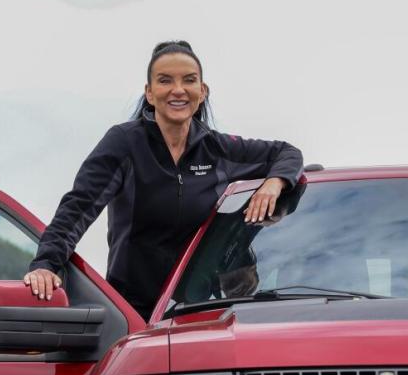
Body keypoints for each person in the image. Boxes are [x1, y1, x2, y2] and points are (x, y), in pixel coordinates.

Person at [23, 40, 304, 319]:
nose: (178, 90)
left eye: (189, 80)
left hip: (197, 313)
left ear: (202, 91)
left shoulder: (218, 149)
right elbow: (78, 207)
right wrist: (47, 263)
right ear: (149, 92)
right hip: (132, 313)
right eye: (165, 80)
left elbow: (287, 153)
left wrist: (275, 182)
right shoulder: (124, 144)